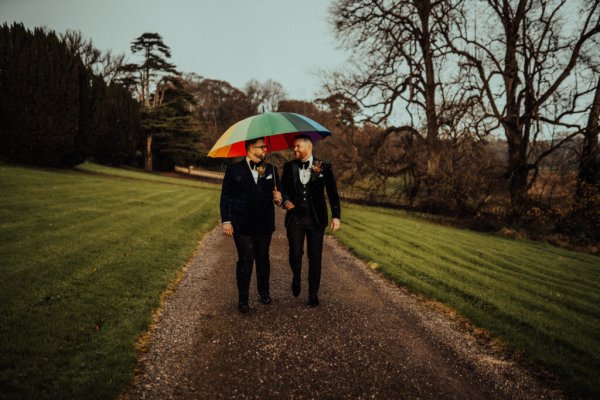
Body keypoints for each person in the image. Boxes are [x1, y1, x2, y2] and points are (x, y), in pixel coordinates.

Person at [220, 137, 282, 313]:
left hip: (264, 223)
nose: (265, 150)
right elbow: (226, 197)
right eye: (262, 147)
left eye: (265, 147)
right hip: (241, 223)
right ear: (250, 148)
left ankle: (264, 293)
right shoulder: (234, 170)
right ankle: (243, 299)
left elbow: (279, 196)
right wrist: (226, 221)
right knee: (246, 259)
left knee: (263, 258)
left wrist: (279, 199)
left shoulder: (271, 169)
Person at [280, 134, 341, 307]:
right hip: (295, 219)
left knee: (315, 257)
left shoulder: (323, 166)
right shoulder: (288, 166)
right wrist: (284, 200)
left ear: (309, 147)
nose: (295, 149)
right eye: (294, 147)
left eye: (298, 146)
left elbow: (332, 192)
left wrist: (336, 216)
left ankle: (313, 293)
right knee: (294, 254)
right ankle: (296, 276)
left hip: (316, 219)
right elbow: (282, 189)